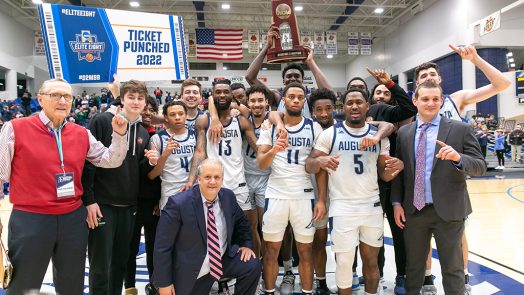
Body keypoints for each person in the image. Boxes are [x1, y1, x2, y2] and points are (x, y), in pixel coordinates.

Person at [0, 78, 129, 294]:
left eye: (67, 96)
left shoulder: (81, 132)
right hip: (31, 218)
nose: (62, 100)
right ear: (40, 99)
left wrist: (119, 134)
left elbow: (111, 160)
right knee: (23, 285)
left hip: (72, 219)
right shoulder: (14, 128)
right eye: (55, 95)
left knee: (72, 286)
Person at [414, 44, 510, 294]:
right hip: (423, 177)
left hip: (452, 174)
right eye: (423, 77)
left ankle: (463, 278)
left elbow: (502, 85)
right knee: (422, 235)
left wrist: (476, 59)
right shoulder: (415, 106)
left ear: (440, 79)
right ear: (416, 88)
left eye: (432, 75)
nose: (429, 78)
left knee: (458, 234)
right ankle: (427, 279)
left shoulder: (456, 99)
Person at [392, 81, 486, 295]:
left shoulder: (460, 129)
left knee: (453, 271)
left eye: (436, 99)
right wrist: (397, 202)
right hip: (414, 211)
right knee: (413, 269)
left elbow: (480, 166)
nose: (431, 103)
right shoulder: (405, 133)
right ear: (415, 101)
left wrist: (458, 158)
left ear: (442, 101)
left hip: (449, 211)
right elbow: (400, 172)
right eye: (425, 99)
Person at [307, 87, 403, 295]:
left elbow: (384, 174)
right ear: (344, 107)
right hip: (342, 207)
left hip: (371, 206)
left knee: (370, 262)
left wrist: (396, 168)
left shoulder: (379, 137)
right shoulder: (330, 134)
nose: (354, 106)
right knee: (343, 263)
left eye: (359, 102)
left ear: (367, 106)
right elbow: (309, 165)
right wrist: (320, 161)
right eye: (349, 103)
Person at [153, 159, 262, 295]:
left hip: (221, 260)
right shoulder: (178, 204)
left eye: (217, 177)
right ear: (199, 179)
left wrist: (246, 245)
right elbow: (162, 247)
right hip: (192, 271)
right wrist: (164, 283)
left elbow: (243, 224)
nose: (212, 181)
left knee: (252, 265)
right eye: (207, 177)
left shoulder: (228, 197)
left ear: (222, 180)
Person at [82, 79, 150, 295]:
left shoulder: (143, 131)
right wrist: (89, 200)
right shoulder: (102, 121)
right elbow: (89, 162)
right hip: (103, 204)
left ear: (145, 102)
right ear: (122, 99)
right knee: (101, 264)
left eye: (140, 98)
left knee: (120, 262)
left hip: (129, 206)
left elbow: (137, 170)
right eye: (131, 97)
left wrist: (150, 160)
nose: (136, 102)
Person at [257, 82, 325, 295]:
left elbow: (320, 166)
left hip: (303, 195)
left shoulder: (314, 127)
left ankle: (306, 291)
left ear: (304, 101)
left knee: (305, 251)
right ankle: (268, 291)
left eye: (300, 97)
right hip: (276, 194)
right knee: (271, 250)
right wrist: (274, 150)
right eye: (291, 96)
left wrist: (322, 199)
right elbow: (261, 163)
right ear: (283, 100)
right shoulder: (270, 127)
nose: (296, 100)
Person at [124, 96, 162, 295]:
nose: (148, 113)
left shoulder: (157, 136)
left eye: (151, 110)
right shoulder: (127, 132)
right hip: (130, 201)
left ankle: (154, 285)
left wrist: (158, 200)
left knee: (153, 246)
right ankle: (129, 286)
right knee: (130, 247)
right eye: (144, 109)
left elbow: (160, 176)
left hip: (152, 202)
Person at [147, 100, 201, 209]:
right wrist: (165, 155)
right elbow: (152, 175)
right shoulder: (157, 139)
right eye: (172, 114)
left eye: (181, 114)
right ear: (166, 118)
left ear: (186, 115)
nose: (177, 117)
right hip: (170, 193)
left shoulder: (196, 136)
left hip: (194, 191)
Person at [242, 86, 272, 260]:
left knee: (267, 228)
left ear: (267, 102)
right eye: (253, 100)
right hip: (246, 178)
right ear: (248, 102)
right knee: (251, 227)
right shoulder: (242, 120)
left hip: (267, 178)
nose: (257, 104)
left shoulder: (274, 120)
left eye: (260, 100)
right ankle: (257, 265)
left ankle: (279, 267)